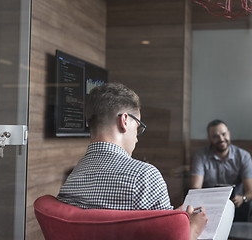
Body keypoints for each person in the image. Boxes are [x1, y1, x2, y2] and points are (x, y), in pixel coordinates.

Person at [57, 82, 207, 240]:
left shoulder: (72, 178)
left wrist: (172, 218)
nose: (136, 138)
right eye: (138, 127)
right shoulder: (145, 176)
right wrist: (194, 230)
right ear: (124, 121)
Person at [190, 119, 252, 223]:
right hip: (210, 206)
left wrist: (242, 198)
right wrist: (207, 201)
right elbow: (195, 188)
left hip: (236, 204)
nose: (221, 139)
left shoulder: (243, 156)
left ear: (229, 134)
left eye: (224, 134)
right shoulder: (200, 156)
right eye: (215, 136)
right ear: (209, 138)